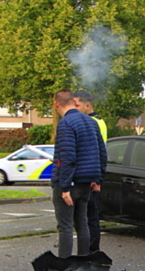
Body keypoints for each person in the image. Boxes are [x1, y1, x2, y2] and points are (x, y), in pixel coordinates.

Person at [51, 89, 107, 258]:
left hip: (70, 183)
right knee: (82, 224)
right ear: (74, 102)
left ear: (56, 104)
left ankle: (64, 270)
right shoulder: (91, 122)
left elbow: (67, 157)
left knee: (65, 227)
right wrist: (98, 178)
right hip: (87, 184)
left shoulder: (66, 123)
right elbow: (101, 152)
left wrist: (65, 186)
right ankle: (84, 265)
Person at [73, 90, 108, 253]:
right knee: (89, 217)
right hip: (92, 173)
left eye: (77, 105)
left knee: (90, 217)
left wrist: (96, 177)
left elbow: (97, 151)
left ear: (87, 106)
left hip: (90, 176)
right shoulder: (97, 121)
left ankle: (91, 253)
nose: (75, 109)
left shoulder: (91, 123)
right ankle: (90, 252)